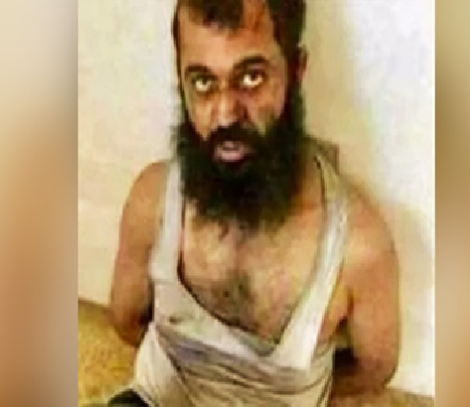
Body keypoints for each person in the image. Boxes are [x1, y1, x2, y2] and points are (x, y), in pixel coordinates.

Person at [109, 0, 399, 405]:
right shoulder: (152, 201)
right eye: (203, 82)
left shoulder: (358, 246)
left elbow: (373, 370)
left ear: (296, 71)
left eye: (250, 77)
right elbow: (125, 320)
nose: (225, 114)